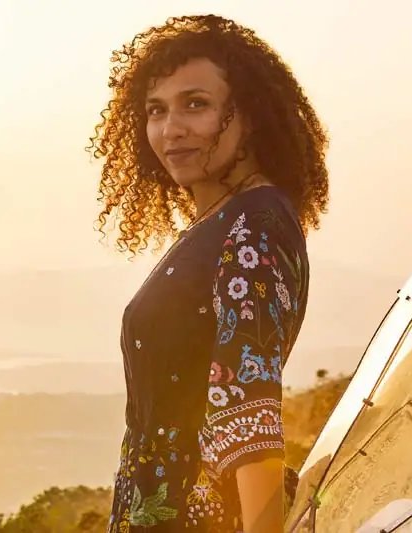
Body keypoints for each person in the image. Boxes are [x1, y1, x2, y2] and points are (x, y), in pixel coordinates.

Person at [87, 14, 329, 532]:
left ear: (253, 114)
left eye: (196, 104)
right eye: (156, 110)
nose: (171, 129)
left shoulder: (254, 224)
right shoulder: (222, 224)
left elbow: (251, 417)